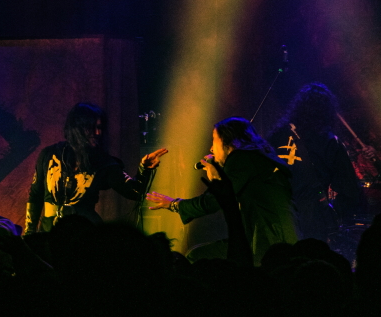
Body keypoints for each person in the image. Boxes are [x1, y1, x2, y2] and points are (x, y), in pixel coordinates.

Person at [147, 117, 300, 265]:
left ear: (230, 142)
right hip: (271, 236)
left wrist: (174, 204)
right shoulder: (256, 158)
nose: (211, 148)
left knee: (197, 257)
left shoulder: (241, 158)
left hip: (268, 239)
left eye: (214, 140)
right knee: (199, 254)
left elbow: (213, 201)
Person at [24, 103, 167, 234]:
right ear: (78, 128)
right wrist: (29, 233)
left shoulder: (103, 162)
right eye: (92, 128)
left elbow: (134, 192)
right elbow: (36, 194)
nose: (98, 133)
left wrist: (145, 169)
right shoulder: (50, 155)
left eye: (100, 128)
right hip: (50, 235)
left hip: (85, 237)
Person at [267, 82, 362, 241]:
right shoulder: (330, 142)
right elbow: (349, 188)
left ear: (298, 106)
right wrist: (334, 211)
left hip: (278, 214)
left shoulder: (278, 135)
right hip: (313, 217)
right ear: (328, 111)